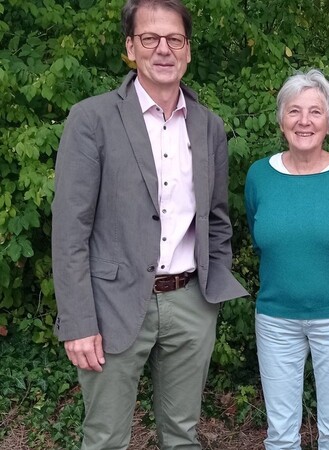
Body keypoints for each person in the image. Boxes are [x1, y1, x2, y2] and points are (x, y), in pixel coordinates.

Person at [51, 0, 248, 448]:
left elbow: (216, 218)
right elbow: (69, 232)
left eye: (174, 39)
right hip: (110, 307)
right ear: (130, 47)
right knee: (105, 439)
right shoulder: (92, 119)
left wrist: (210, 293)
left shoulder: (209, 126)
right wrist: (79, 321)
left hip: (190, 304)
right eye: (150, 38)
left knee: (182, 436)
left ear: (188, 50)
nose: (163, 49)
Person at [245, 69, 329, 450]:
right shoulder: (259, 176)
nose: (304, 121)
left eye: (315, 112)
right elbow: (260, 237)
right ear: (281, 119)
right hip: (276, 319)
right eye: (294, 111)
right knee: (280, 434)